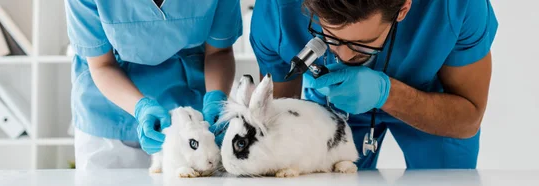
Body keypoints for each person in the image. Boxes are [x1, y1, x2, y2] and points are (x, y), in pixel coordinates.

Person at [246, 0, 498, 169]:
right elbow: (277, 120)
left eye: (361, 45)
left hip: (433, 100)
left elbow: (469, 118)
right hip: (330, 103)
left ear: (403, 8)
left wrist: (386, 94)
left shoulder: (456, 6)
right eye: (329, 37)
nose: (343, 57)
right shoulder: (276, 10)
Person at [65, 0, 242, 169]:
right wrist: (141, 108)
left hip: (191, 114)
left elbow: (219, 52)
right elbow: (102, 65)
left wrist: (215, 99)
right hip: (108, 113)